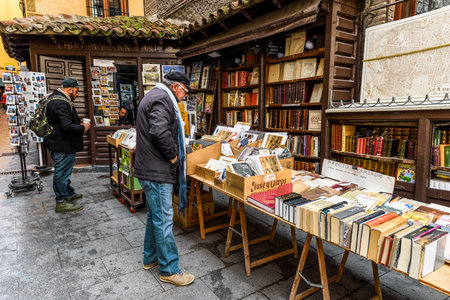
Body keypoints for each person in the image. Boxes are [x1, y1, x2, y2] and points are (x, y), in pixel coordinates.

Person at [134, 71, 194, 286]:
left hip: (149, 169)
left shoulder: (153, 95)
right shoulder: (162, 99)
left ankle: (150, 258)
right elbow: (159, 130)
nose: (184, 96)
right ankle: (169, 269)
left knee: (154, 216)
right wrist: (173, 156)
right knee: (164, 221)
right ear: (176, 86)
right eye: (185, 91)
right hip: (156, 171)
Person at [45, 77, 90, 213]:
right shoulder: (61, 103)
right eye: (76, 91)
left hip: (57, 143)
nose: (77, 94)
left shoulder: (53, 97)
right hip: (62, 145)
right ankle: (61, 201)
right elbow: (66, 126)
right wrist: (83, 127)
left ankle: (68, 193)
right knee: (62, 172)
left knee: (65, 171)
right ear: (69, 90)